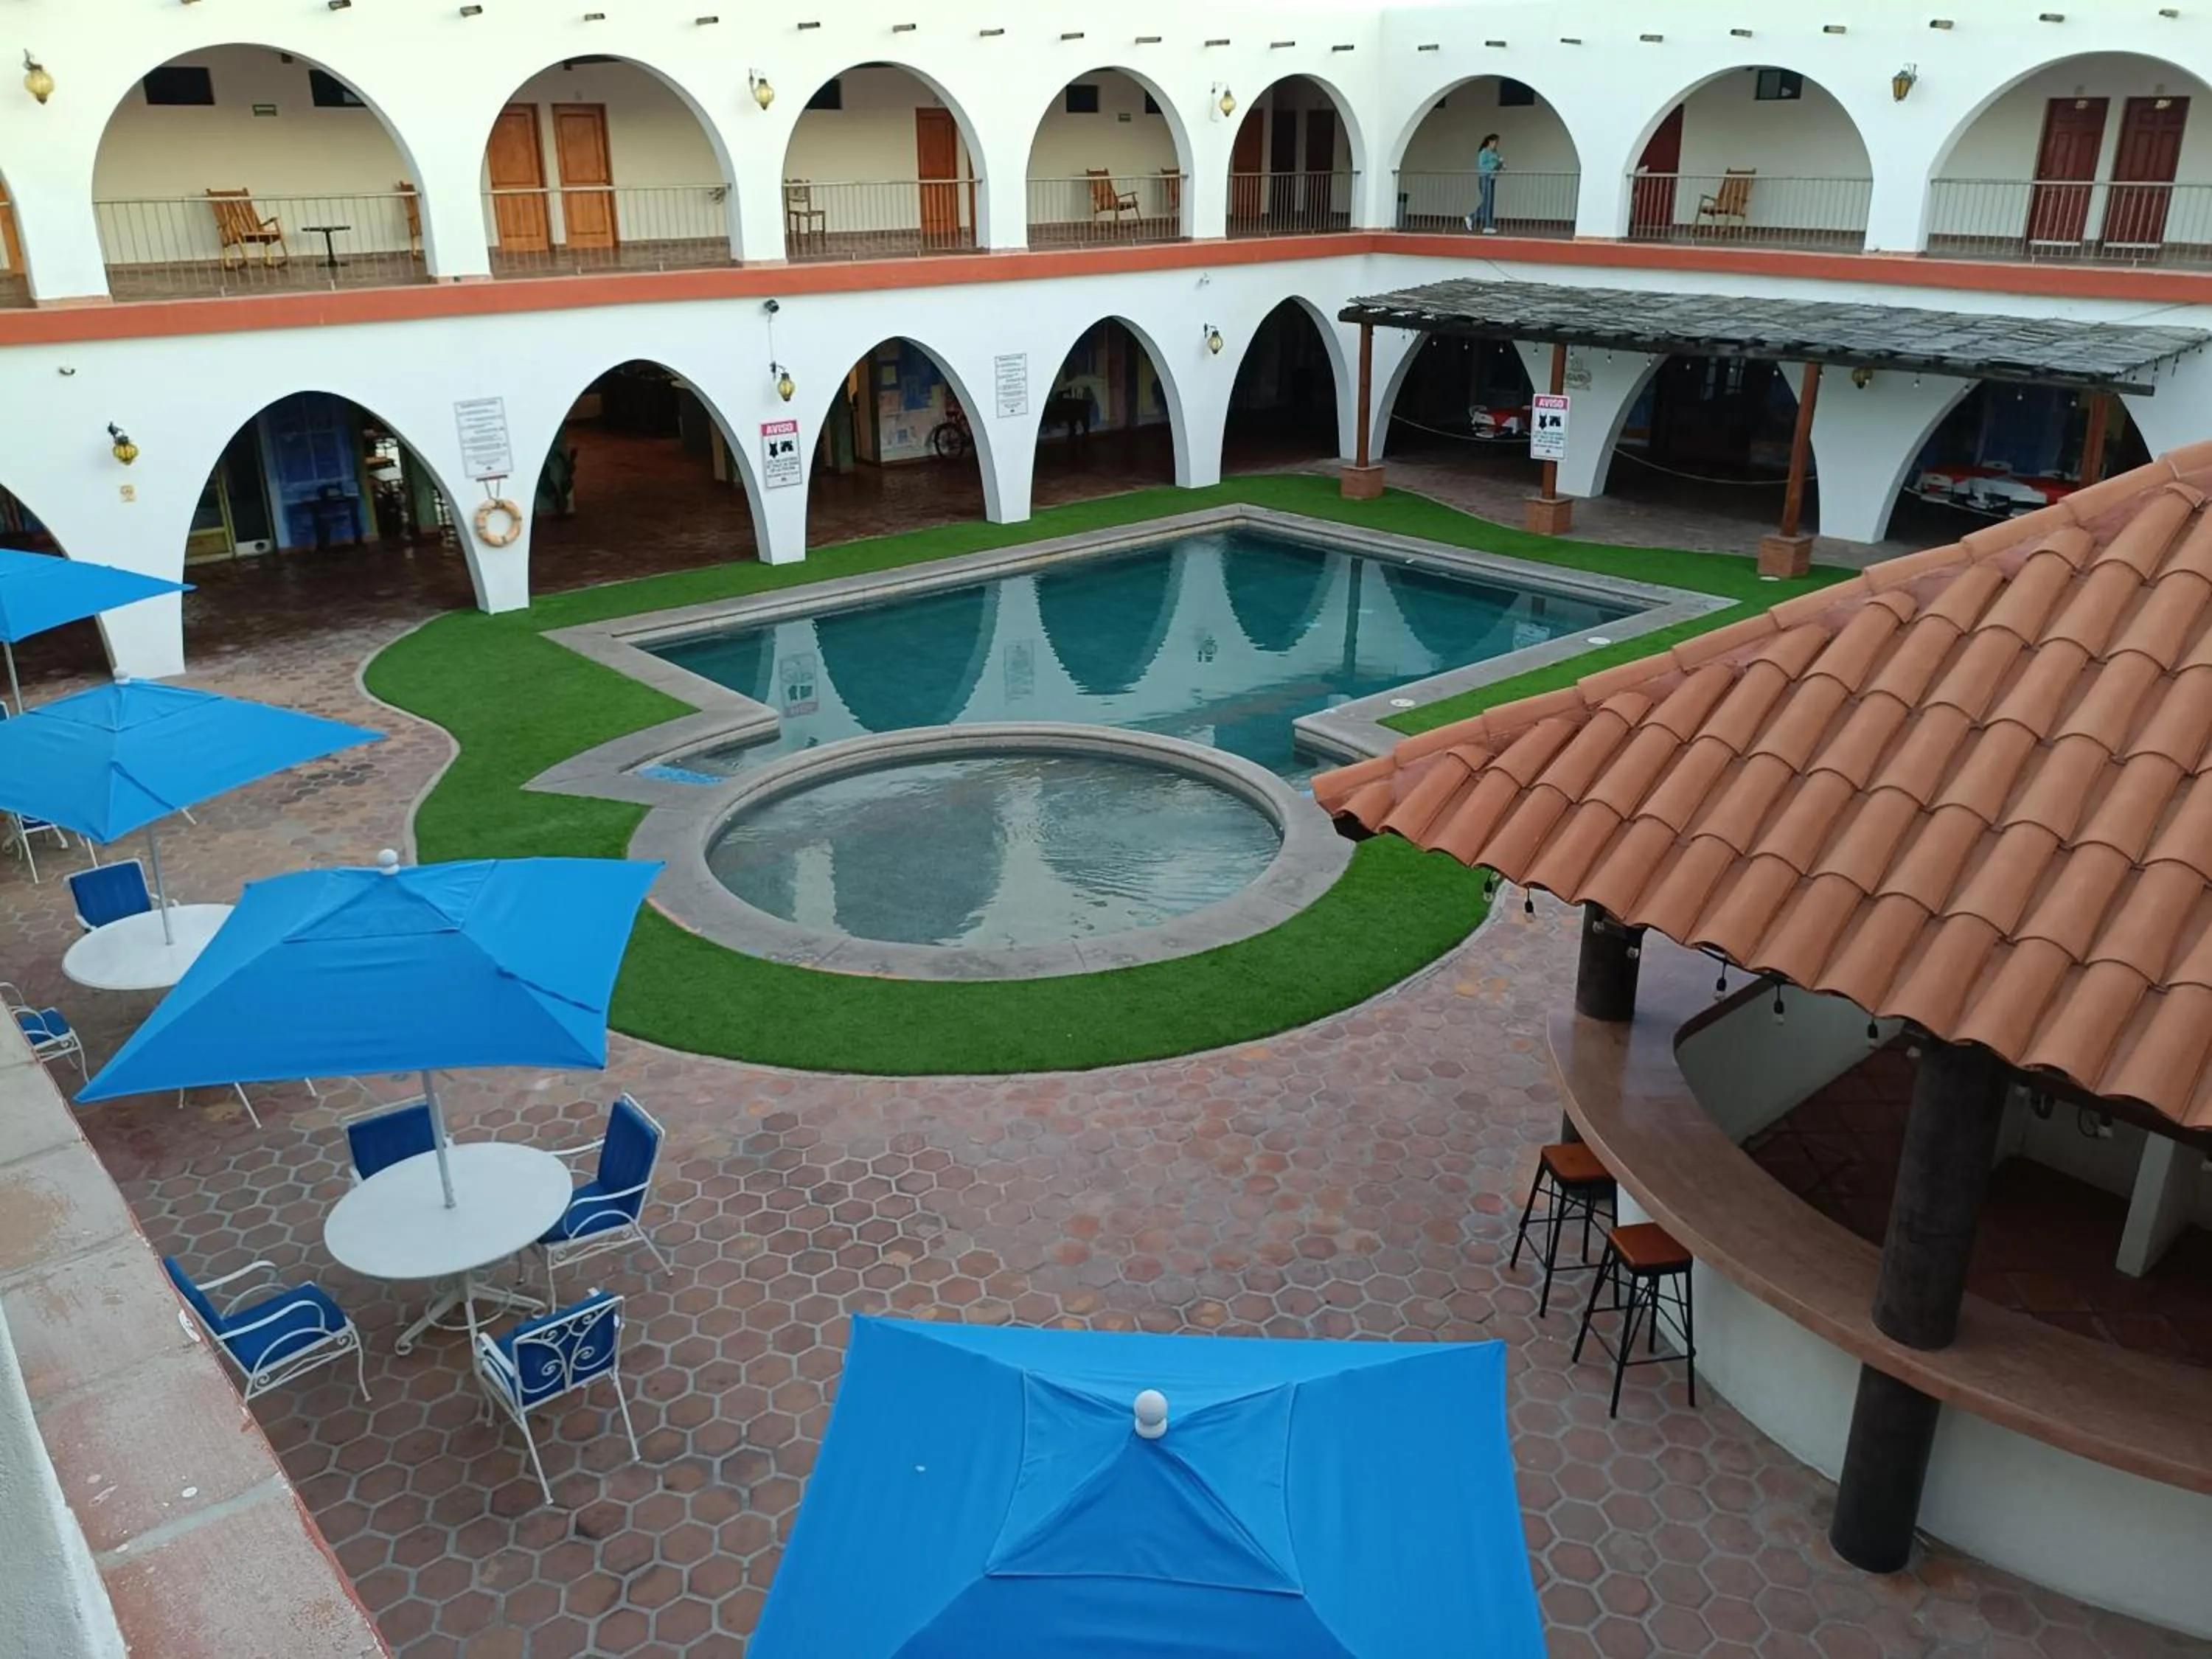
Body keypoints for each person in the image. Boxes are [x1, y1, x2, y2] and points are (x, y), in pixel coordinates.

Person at [1467, 134, 1503, 234]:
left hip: (1492, 178)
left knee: (1490, 203)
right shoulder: (1484, 152)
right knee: (1487, 202)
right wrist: (1496, 164)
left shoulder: (1495, 153)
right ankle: (1475, 219)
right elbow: (1483, 166)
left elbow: (1497, 165)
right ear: (1490, 142)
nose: (1496, 145)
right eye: (1495, 142)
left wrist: (1501, 165)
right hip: (1485, 178)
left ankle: (1488, 225)